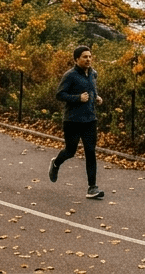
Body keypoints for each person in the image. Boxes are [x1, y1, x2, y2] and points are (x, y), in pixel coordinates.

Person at [48, 45, 104, 199]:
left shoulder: (93, 73)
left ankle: (92, 188)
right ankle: (56, 163)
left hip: (90, 120)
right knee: (70, 151)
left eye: (90, 56)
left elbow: (92, 89)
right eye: (85, 57)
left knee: (90, 152)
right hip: (72, 120)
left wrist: (96, 97)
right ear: (76, 59)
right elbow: (60, 95)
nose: (88, 59)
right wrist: (78, 98)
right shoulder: (70, 76)